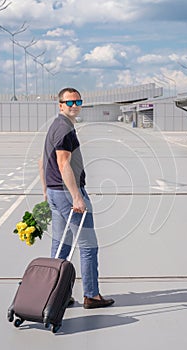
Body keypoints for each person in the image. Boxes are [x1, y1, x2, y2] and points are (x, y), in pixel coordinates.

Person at [39, 87, 114, 309]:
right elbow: (63, 163)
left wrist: (46, 191)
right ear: (60, 104)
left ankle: (56, 293)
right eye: (69, 102)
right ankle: (91, 295)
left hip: (55, 192)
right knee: (88, 246)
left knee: (60, 246)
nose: (74, 106)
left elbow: (41, 161)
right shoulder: (64, 129)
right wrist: (77, 197)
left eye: (78, 102)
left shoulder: (55, 125)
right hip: (67, 194)